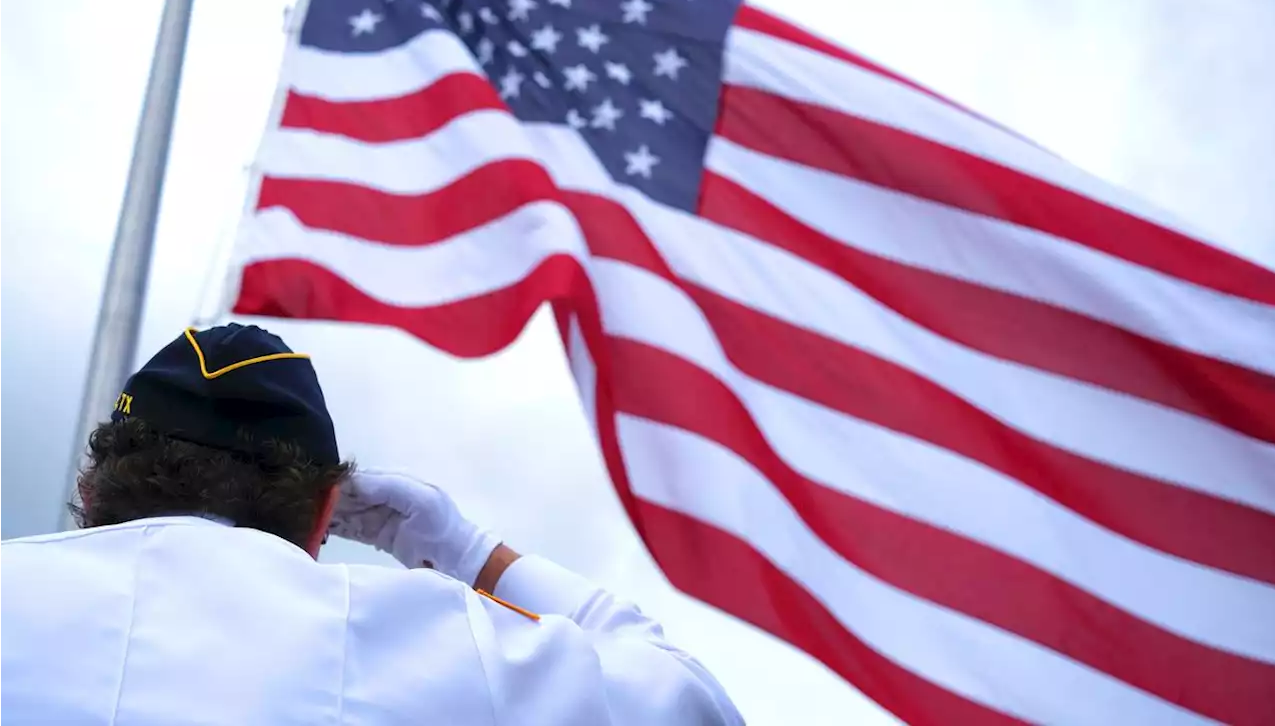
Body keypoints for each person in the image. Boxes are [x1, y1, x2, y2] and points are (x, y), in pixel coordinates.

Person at [0, 323, 742, 725]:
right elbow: (692, 705)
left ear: (91, 488)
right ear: (326, 512)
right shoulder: (434, 638)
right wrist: (466, 550)